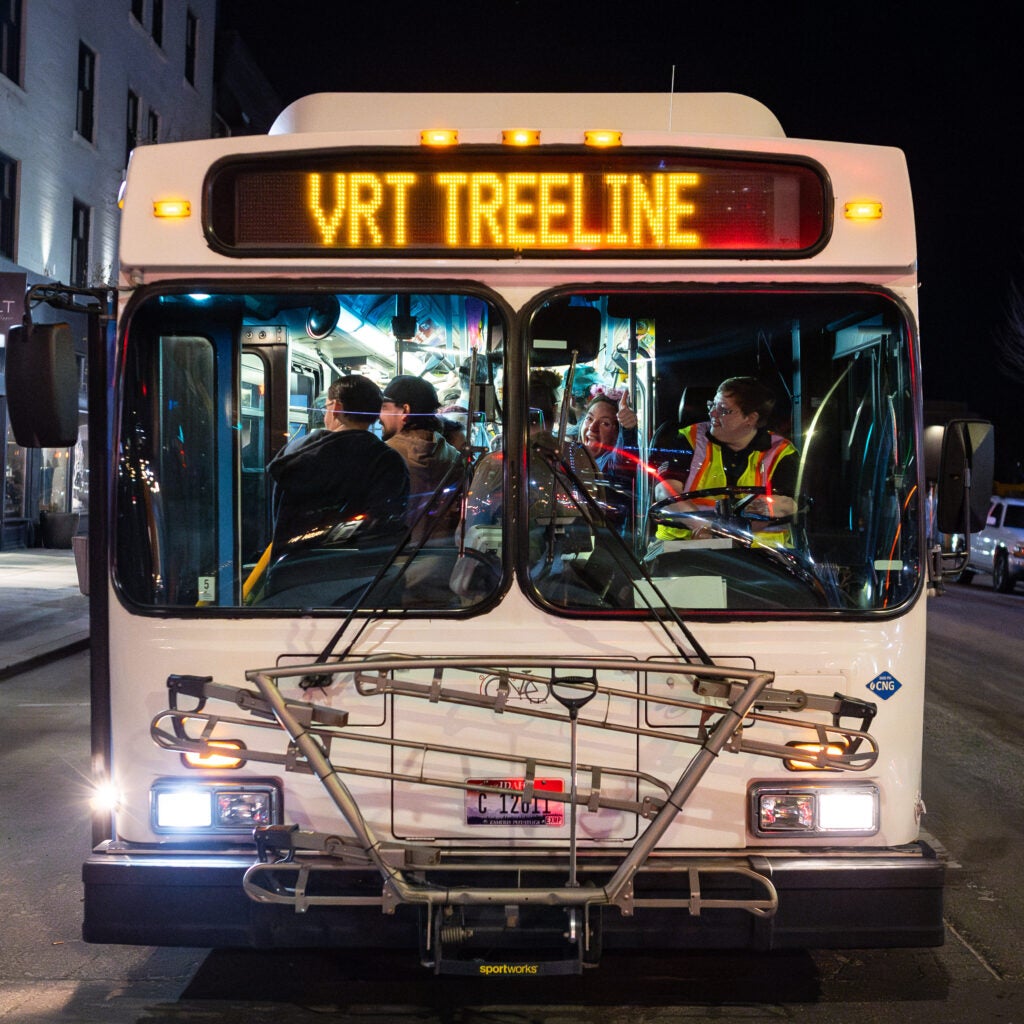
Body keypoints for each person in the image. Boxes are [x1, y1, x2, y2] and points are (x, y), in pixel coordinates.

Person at [267, 374, 409, 554]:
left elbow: (279, 517)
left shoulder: (295, 453)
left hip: (293, 569)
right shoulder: (387, 460)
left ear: (336, 407)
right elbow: (387, 526)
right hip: (355, 573)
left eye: (326, 407)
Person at [653, 376, 797, 546]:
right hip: (685, 547)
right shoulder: (687, 439)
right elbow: (665, 491)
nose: (712, 412)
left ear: (750, 418)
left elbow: (793, 504)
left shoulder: (781, 451)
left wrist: (770, 508)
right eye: (712, 404)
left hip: (762, 556)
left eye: (723, 409)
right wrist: (706, 527)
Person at [380, 374, 466, 545]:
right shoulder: (454, 458)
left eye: (384, 407)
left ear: (405, 410)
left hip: (394, 564)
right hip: (443, 560)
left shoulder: (383, 456)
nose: (379, 416)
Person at [580, 390, 639, 533]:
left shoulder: (610, 463)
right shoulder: (571, 453)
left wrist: (628, 428)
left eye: (605, 423)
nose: (592, 428)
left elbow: (623, 459)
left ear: (617, 435)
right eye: (589, 418)